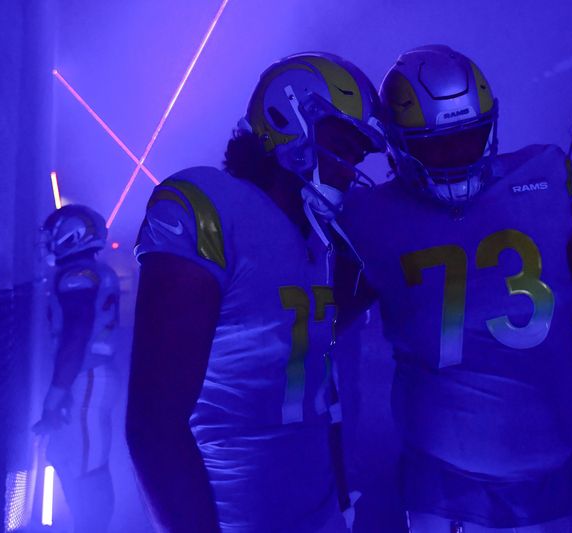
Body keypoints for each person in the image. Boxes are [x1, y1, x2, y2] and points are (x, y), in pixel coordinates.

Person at [334, 44, 572, 532]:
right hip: (454, 495)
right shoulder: (367, 218)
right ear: (395, 140)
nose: (454, 157)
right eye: (434, 144)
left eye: (468, 138)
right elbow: (321, 321)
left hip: (569, 473)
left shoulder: (541, 178)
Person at [126, 52, 386, 533]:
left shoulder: (316, 235)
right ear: (287, 118)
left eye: (357, 155)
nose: (350, 169)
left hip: (320, 509)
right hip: (235, 515)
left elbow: (302, 350)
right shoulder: (208, 205)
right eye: (343, 147)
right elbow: (154, 426)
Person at [34, 204, 120, 533]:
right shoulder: (89, 272)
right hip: (89, 376)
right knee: (71, 456)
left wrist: (54, 397)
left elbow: (76, 335)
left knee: (89, 471)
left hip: (86, 375)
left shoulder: (77, 276)